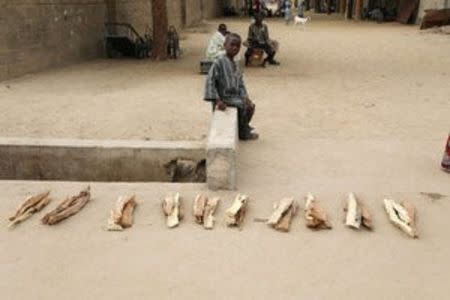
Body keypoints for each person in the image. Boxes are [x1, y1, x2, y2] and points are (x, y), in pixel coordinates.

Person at [204, 33, 258, 141]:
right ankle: (243, 133)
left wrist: (245, 96)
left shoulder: (236, 65)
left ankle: (243, 126)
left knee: (250, 106)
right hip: (223, 97)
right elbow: (210, 81)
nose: (235, 48)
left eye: (238, 46)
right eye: (232, 45)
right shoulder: (219, 62)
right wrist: (217, 100)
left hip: (234, 96)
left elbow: (241, 84)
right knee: (242, 105)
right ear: (224, 45)